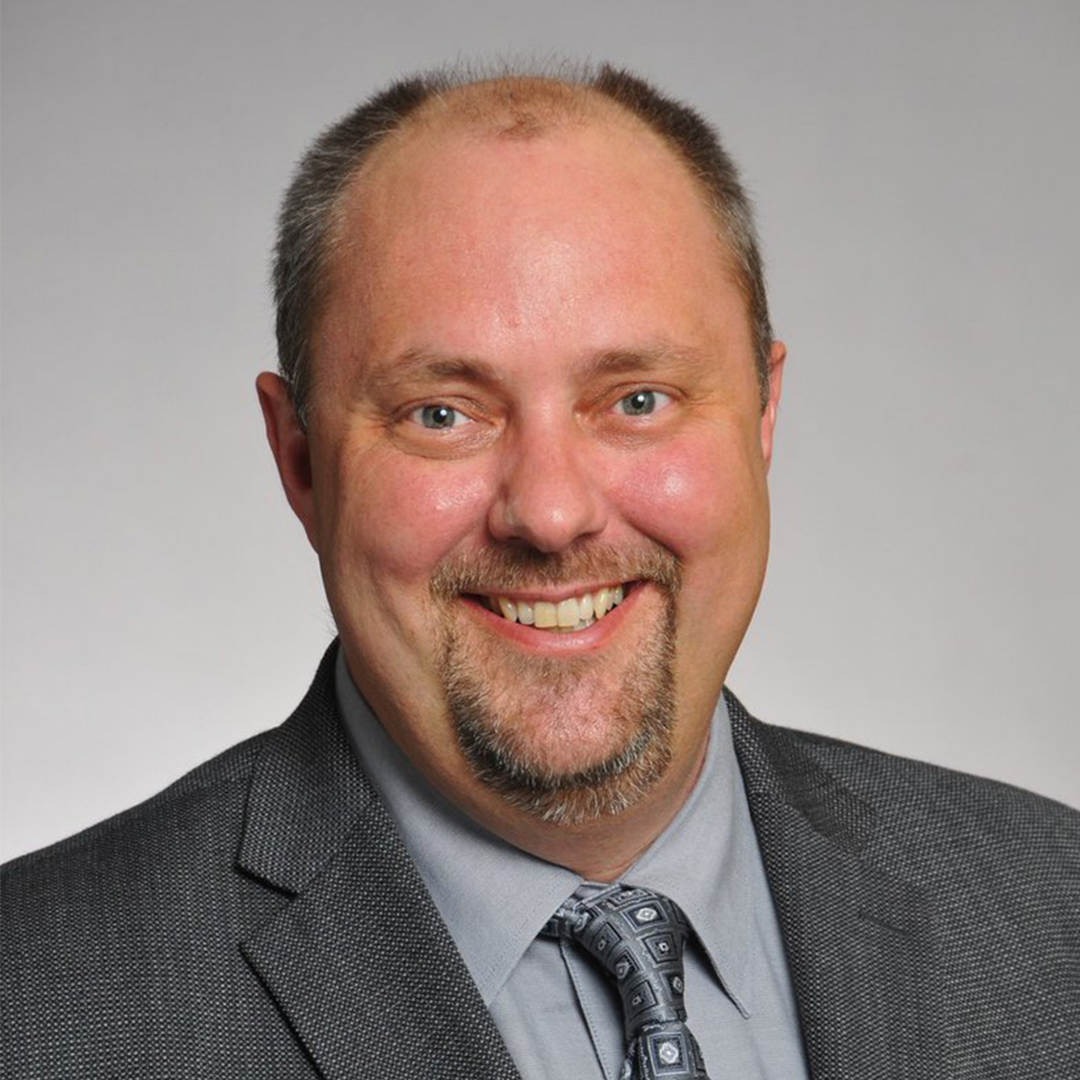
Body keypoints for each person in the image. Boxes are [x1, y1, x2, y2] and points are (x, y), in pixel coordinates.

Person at [2, 63, 1077, 1080]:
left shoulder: (1050, 911)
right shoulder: (38, 1007)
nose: (553, 514)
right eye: (442, 414)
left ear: (764, 415)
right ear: (301, 461)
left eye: (638, 400)